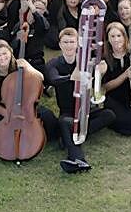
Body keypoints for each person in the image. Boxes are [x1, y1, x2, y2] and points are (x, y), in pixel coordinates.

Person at [42, 27, 115, 173]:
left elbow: (99, 82)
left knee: (109, 115)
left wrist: (102, 71)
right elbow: (54, 79)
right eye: (65, 42)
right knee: (64, 122)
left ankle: (68, 137)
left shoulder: (87, 62)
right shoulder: (53, 63)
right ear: (60, 44)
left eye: (72, 42)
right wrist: (71, 77)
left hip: (87, 110)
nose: (69, 45)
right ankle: (78, 159)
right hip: (68, 112)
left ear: (77, 44)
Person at [0, 38, 57, 149]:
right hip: (4, 108)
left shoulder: (20, 65)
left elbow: (40, 77)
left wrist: (29, 67)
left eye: (5, 53)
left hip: (25, 104)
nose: (2, 57)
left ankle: (45, 137)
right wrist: (7, 114)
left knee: (48, 116)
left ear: (11, 52)